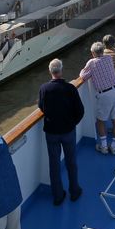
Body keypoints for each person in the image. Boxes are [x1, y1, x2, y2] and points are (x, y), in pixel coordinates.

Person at [38, 59, 84, 205]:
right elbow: (80, 111)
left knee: (54, 164)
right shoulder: (70, 88)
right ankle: (74, 191)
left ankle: (58, 195)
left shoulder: (44, 88)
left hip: (51, 132)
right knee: (71, 161)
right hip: (68, 131)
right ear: (61, 71)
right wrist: (72, 123)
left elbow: (41, 107)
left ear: (50, 71)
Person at [80, 42, 115, 154]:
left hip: (105, 94)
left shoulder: (92, 62)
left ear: (93, 53)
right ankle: (114, 147)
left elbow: (83, 76)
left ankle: (104, 146)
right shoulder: (108, 58)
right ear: (103, 51)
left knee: (100, 121)